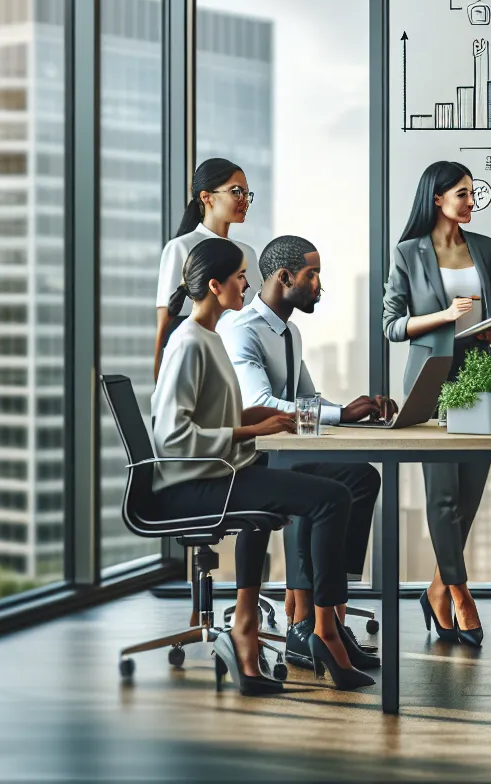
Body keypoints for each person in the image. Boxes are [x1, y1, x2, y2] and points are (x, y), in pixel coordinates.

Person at [146, 237, 372, 694]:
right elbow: (172, 436)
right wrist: (252, 430)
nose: (247, 285)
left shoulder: (208, 337)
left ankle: (254, 627)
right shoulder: (190, 343)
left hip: (221, 472)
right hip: (200, 483)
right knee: (331, 498)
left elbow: (218, 414)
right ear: (215, 285)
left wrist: (256, 420)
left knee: (344, 487)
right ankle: (321, 633)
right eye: (240, 277)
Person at [219, 234, 392, 670]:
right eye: (312, 275)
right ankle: (308, 624)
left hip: (284, 448)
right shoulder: (244, 330)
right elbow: (263, 403)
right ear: (284, 277)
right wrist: (340, 415)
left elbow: (307, 399)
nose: (319, 285)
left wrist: (351, 409)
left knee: (363, 476)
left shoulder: (289, 331)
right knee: (330, 485)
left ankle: (328, 612)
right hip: (250, 454)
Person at [381, 161, 491, 646]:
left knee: (470, 491)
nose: (471, 201)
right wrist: (443, 315)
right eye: (462, 194)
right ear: (437, 199)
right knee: (441, 492)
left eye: (473, 192)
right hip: (432, 378)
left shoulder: (484, 247)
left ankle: (436, 589)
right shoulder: (409, 253)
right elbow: (393, 325)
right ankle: (459, 592)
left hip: (479, 371)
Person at [154, 158, 261, 380]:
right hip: (200, 372)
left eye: (247, 194)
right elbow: (165, 326)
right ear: (206, 197)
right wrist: (160, 385)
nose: (244, 200)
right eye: (236, 192)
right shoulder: (181, 248)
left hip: (244, 371)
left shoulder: (248, 254)